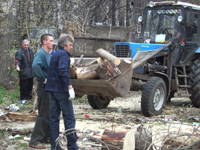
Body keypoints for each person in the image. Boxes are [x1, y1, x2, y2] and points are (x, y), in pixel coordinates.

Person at [45, 34, 79, 150]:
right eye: (70, 45)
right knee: (69, 117)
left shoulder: (55, 54)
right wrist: (69, 87)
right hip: (61, 90)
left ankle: (54, 146)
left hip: (53, 89)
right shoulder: (64, 55)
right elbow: (62, 71)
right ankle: (72, 146)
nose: (71, 47)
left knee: (54, 118)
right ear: (64, 45)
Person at [29, 34, 54, 149]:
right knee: (44, 113)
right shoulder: (40, 53)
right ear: (44, 42)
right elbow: (35, 66)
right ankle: (35, 140)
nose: (53, 43)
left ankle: (46, 137)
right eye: (51, 41)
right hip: (43, 87)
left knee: (49, 113)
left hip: (49, 87)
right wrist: (43, 79)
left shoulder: (48, 54)